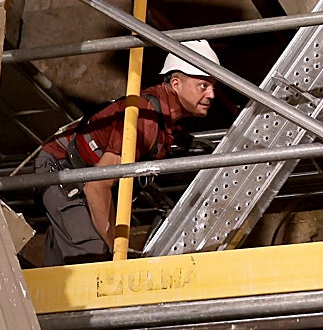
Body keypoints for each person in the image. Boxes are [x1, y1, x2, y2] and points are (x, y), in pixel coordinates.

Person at [34, 40, 219, 265]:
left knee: (69, 260)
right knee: (93, 252)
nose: (211, 94)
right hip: (62, 168)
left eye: (213, 87)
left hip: (79, 173)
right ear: (176, 83)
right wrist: (116, 247)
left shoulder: (167, 121)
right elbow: (97, 186)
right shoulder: (145, 116)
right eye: (203, 86)